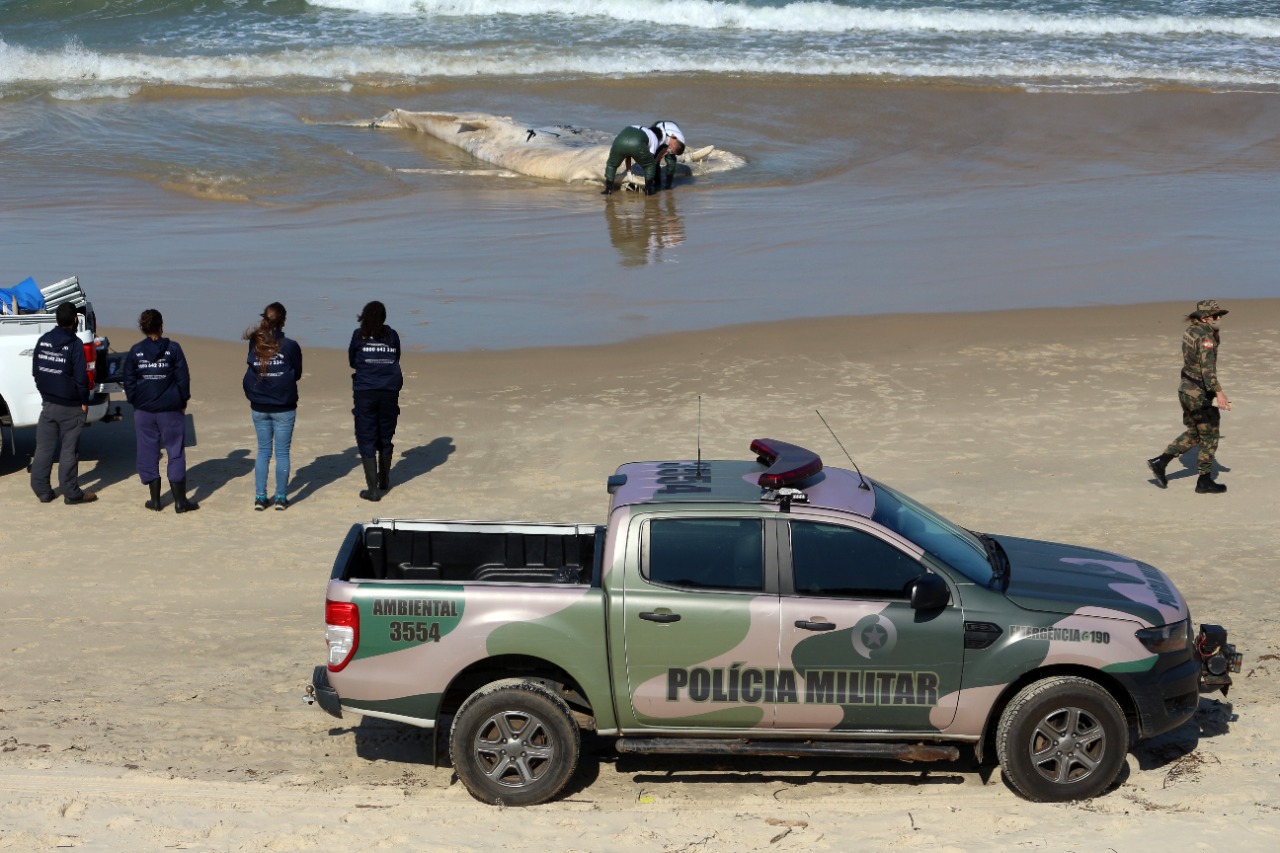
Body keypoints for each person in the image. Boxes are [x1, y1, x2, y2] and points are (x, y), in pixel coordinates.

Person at [1148, 300, 1231, 494]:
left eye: (1220, 316)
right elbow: (1208, 370)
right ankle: (1204, 481)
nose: (1219, 319)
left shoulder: (1191, 331)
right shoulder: (1206, 337)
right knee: (1210, 435)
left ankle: (1160, 462)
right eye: (1215, 316)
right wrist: (1219, 393)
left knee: (1194, 433)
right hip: (1199, 394)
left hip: (1186, 390)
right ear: (1204, 317)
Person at [123, 308, 197, 512]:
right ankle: (177, 502)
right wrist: (183, 400)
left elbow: (129, 380)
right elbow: (183, 379)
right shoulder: (171, 349)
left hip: (148, 410)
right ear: (161, 326)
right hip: (166, 409)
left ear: (143, 328)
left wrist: (135, 400)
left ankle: (159, 501)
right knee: (174, 451)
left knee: (149, 451)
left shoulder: (141, 350)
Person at [29, 302, 96, 505]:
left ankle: (42, 490)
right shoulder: (75, 345)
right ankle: (71, 493)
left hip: (48, 404)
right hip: (70, 405)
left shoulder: (44, 340)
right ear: (75, 320)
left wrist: (46, 394)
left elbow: (37, 372)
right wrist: (84, 401)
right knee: (69, 450)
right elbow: (81, 379)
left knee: (43, 449)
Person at [242, 302, 302, 510]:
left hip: (261, 404)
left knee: (263, 451)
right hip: (281, 406)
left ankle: (260, 497)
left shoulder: (256, 342)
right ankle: (280, 498)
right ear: (283, 321)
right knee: (281, 452)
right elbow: (298, 373)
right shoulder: (289, 345)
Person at [348, 300, 403, 502]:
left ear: (364, 316)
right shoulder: (392, 335)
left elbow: (353, 361)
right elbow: (396, 357)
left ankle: (374, 490)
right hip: (389, 390)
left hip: (367, 391)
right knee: (385, 435)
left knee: (367, 436)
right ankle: (384, 481)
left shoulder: (359, 335)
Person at [601, 120, 686, 196]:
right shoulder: (656, 139)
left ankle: (608, 189)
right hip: (644, 137)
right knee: (650, 165)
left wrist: (629, 164)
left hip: (621, 137)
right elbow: (651, 161)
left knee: (611, 165)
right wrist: (658, 157)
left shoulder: (677, 141)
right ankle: (649, 190)